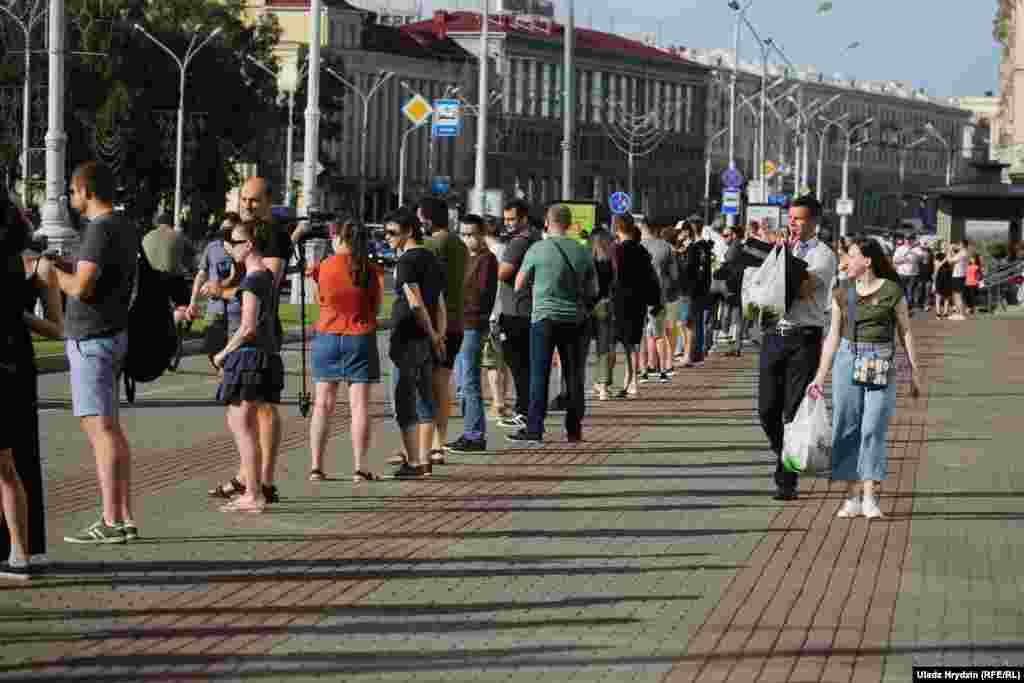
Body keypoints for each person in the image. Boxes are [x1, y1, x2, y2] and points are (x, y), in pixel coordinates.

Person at [48, 161, 140, 543]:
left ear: (85, 190)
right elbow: (96, 274)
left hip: (92, 338)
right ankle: (123, 516)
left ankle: (110, 520)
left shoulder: (99, 229)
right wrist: (67, 265)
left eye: (72, 192)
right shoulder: (123, 225)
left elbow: (82, 287)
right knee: (109, 429)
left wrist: (50, 273)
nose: (71, 200)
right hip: (111, 333)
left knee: (100, 430)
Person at [808, 237, 922, 519]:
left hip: (880, 360)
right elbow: (832, 335)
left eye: (851, 256)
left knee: (872, 428)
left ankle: (870, 496)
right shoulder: (841, 292)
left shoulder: (892, 291)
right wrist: (820, 376)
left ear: (867, 261)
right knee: (846, 427)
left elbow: (905, 331)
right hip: (848, 358)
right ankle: (851, 497)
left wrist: (913, 373)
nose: (845, 262)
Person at [206, 178, 290, 503]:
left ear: (269, 200)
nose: (248, 205)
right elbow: (239, 277)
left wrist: (223, 291)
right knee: (241, 413)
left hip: (256, 334)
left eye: (254, 200)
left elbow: (264, 285)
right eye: (244, 199)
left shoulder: (274, 239)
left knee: (259, 410)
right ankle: (247, 478)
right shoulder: (242, 233)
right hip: (238, 327)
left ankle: (261, 481)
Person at [758, 195, 837, 502]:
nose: (793, 223)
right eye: (790, 217)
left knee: (792, 411)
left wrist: (781, 264)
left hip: (804, 337)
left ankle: (786, 478)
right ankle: (786, 453)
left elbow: (804, 289)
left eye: (799, 218)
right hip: (773, 334)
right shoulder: (780, 249)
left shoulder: (823, 255)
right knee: (767, 409)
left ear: (814, 222)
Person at [0, 192, 62, 579]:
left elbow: (58, 328)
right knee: (7, 462)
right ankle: (16, 548)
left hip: (11, 364)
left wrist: (16, 314)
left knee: (11, 460)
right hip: (13, 361)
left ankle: (20, 551)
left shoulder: (37, 265)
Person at [301, 220, 384, 483]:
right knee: (359, 406)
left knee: (322, 404)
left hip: (327, 335)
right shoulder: (370, 269)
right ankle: (359, 468)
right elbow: (377, 307)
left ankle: (316, 466)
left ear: (338, 239)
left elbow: (319, 299)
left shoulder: (323, 266)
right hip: (360, 337)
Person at [508, 204, 597, 444]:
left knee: (539, 375)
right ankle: (574, 430)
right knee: (574, 375)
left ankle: (535, 429)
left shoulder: (538, 249)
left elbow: (518, 284)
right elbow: (593, 290)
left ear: (547, 222)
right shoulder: (583, 251)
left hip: (544, 319)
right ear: (568, 224)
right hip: (575, 320)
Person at [386, 210, 446, 478]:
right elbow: (440, 302)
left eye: (392, 232)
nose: (387, 238)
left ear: (409, 231)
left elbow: (415, 302)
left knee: (405, 400)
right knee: (425, 397)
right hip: (426, 336)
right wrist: (439, 333)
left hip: (410, 336)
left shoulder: (406, 262)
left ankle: (414, 462)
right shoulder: (432, 259)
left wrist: (433, 333)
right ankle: (424, 461)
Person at [420, 198, 467, 463]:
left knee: (429, 385)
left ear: (426, 218)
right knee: (443, 382)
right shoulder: (460, 244)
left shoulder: (432, 245)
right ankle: (439, 442)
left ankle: (427, 445)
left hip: (437, 323)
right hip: (457, 321)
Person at [447, 215, 498, 453]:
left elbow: (479, 294)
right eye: (464, 234)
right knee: (462, 383)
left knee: (469, 381)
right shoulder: (463, 258)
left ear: (481, 234)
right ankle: (470, 431)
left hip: (472, 325)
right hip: (459, 324)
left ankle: (475, 435)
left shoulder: (487, 260)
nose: (467, 239)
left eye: (471, 234)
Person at [496, 199, 540, 430]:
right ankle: (527, 407)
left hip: (516, 310)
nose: (508, 223)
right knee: (526, 363)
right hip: (529, 308)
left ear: (523, 218)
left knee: (517, 363)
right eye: (506, 219)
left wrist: (492, 258)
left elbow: (503, 273)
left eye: (512, 219)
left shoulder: (519, 242)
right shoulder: (535, 237)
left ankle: (524, 410)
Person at [611, 213, 660, 398]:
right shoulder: (642, 252)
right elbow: (651, 279)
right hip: (638, 303)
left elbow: (610, 278)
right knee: (633, 344)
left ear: (617, 229)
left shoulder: (615, 251)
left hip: (618, 301)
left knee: (613, 344)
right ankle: (632, 382)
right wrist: (654, 301)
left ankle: (604, 384)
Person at [188, 214, 241, 368]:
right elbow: (201, 274)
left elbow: (238, 276)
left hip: (235, 308)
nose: (225, 233)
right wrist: (193, 301)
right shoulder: (212, 248)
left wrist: (216, 285)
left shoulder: (242, 249)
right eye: (223, 229)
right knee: (212, 349)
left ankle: (227, 383)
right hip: (215, 308)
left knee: (233, 355)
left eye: (229, 229)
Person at [639, 219, 679, 383]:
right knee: (659, 333)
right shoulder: (666, 247)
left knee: (641, 334)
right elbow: (675, 276)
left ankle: (643, 371)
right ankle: (663, 371)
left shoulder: (638, 246)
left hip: (639, 297)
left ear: (645, 228)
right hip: (659, 296)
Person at [482, 216, 513, 420]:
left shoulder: (489, 255)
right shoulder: (508, 250)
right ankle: (504, 399)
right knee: (505, 361)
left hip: (492, 313)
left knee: (492, 362)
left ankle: (498, 403)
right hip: (508, 311)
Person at [590, 229, 616, 401]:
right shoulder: (611, 262)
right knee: (604, 347)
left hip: (588, 306)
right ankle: (603, 387)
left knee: (582, 348)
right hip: (606, 304)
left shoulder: (588, 261)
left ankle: (591, 384)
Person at [142, 212, 189, 305]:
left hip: (148, 281)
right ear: (171, 224)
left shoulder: (146, 237)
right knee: (185, 303)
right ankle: (182, 313)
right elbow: (191, 258)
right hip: (172, 280)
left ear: (157, 224)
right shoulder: (179, 236)